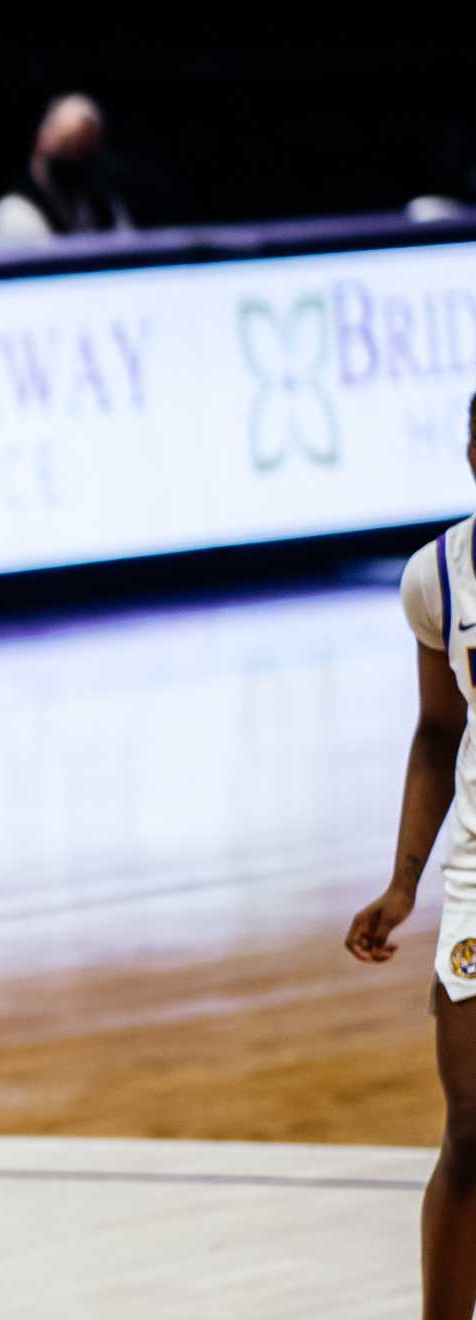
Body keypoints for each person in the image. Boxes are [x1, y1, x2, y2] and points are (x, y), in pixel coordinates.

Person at [345, 391, 476, 1320]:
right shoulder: (437, 574)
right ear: (471, 450)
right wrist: (401, 884)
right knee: (472, 1121)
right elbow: (438, 730)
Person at [0, 93, 134, 247]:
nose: (75, 159)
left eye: (84, 149)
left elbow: (127, 252)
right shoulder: (15, 213)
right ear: (41, 143)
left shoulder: (103, 206)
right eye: (66, 148)